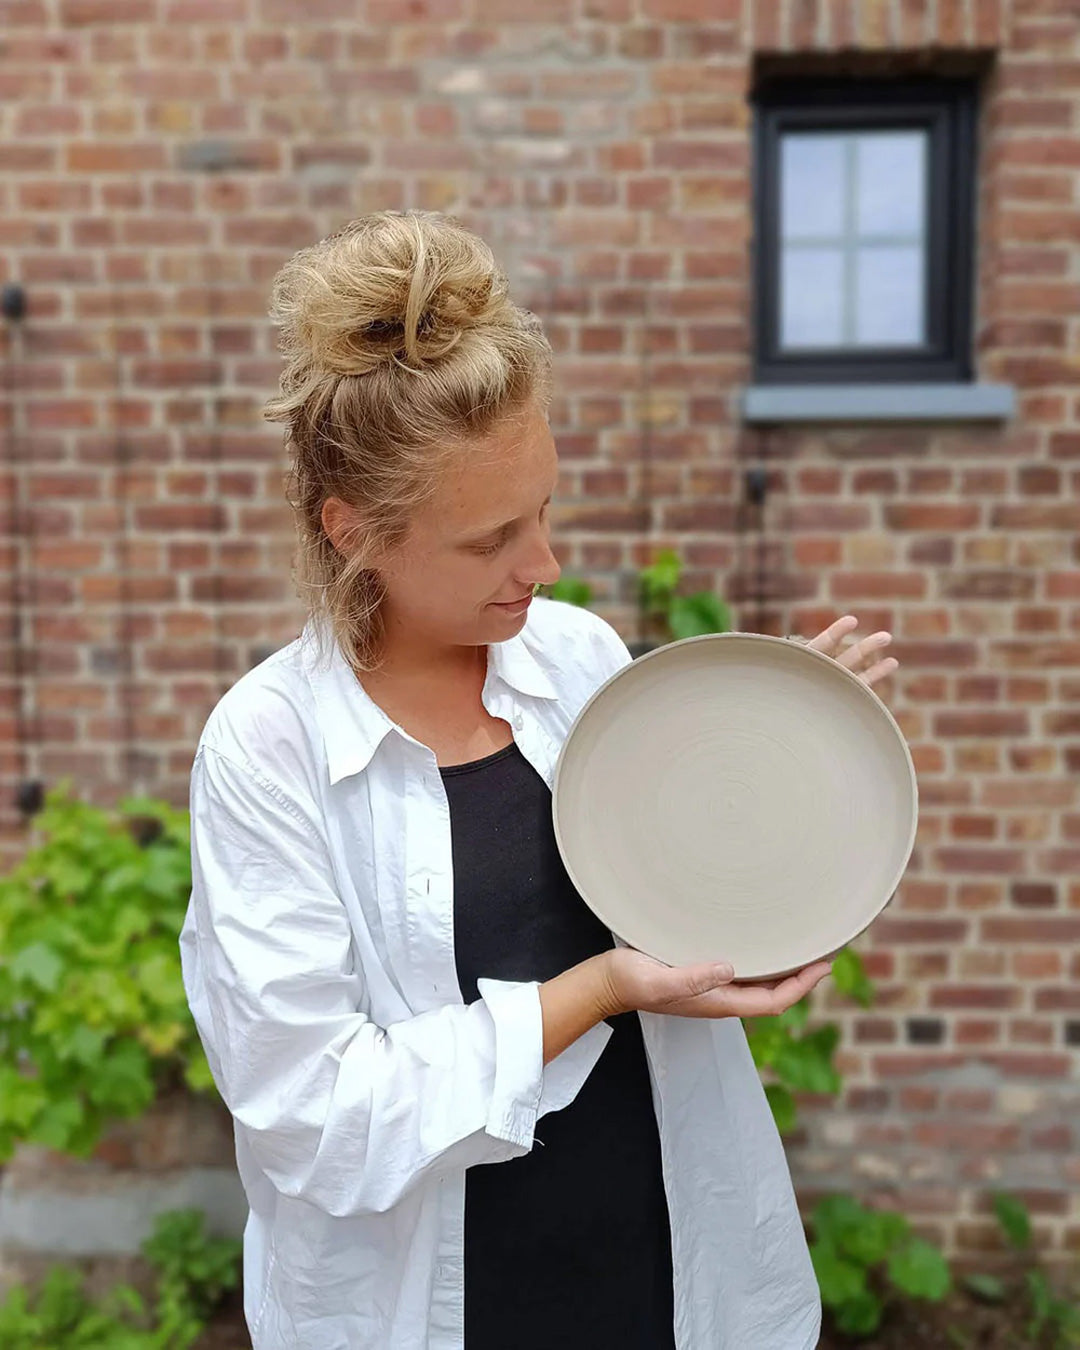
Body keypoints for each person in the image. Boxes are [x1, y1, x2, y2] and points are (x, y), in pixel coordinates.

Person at [179, 209, 900, 1350]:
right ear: (353, 528)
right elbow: (314, 1115)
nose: (546, 567)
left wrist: (761, 743)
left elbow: (679, 899)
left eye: (545, 511)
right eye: (488, 542)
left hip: (664, 1267)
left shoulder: (575, 660)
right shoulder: (268, 750)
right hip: (433, 1307)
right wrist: (601, 990)